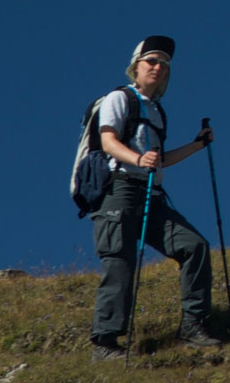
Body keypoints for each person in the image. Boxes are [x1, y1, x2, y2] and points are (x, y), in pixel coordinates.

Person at [89, 35, 221, 360]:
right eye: (151, 61)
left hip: (151, 194)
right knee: (120, 264)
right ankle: (104, 345)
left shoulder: (157, 112)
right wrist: (138, 159)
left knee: (195, 246)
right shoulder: (119, 98)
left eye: (164, 63)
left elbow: (160, 159)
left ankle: (193, 327)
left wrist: (197, 145)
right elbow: (108, 141)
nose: (158, 67)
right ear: (136, 66)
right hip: (118, 192)